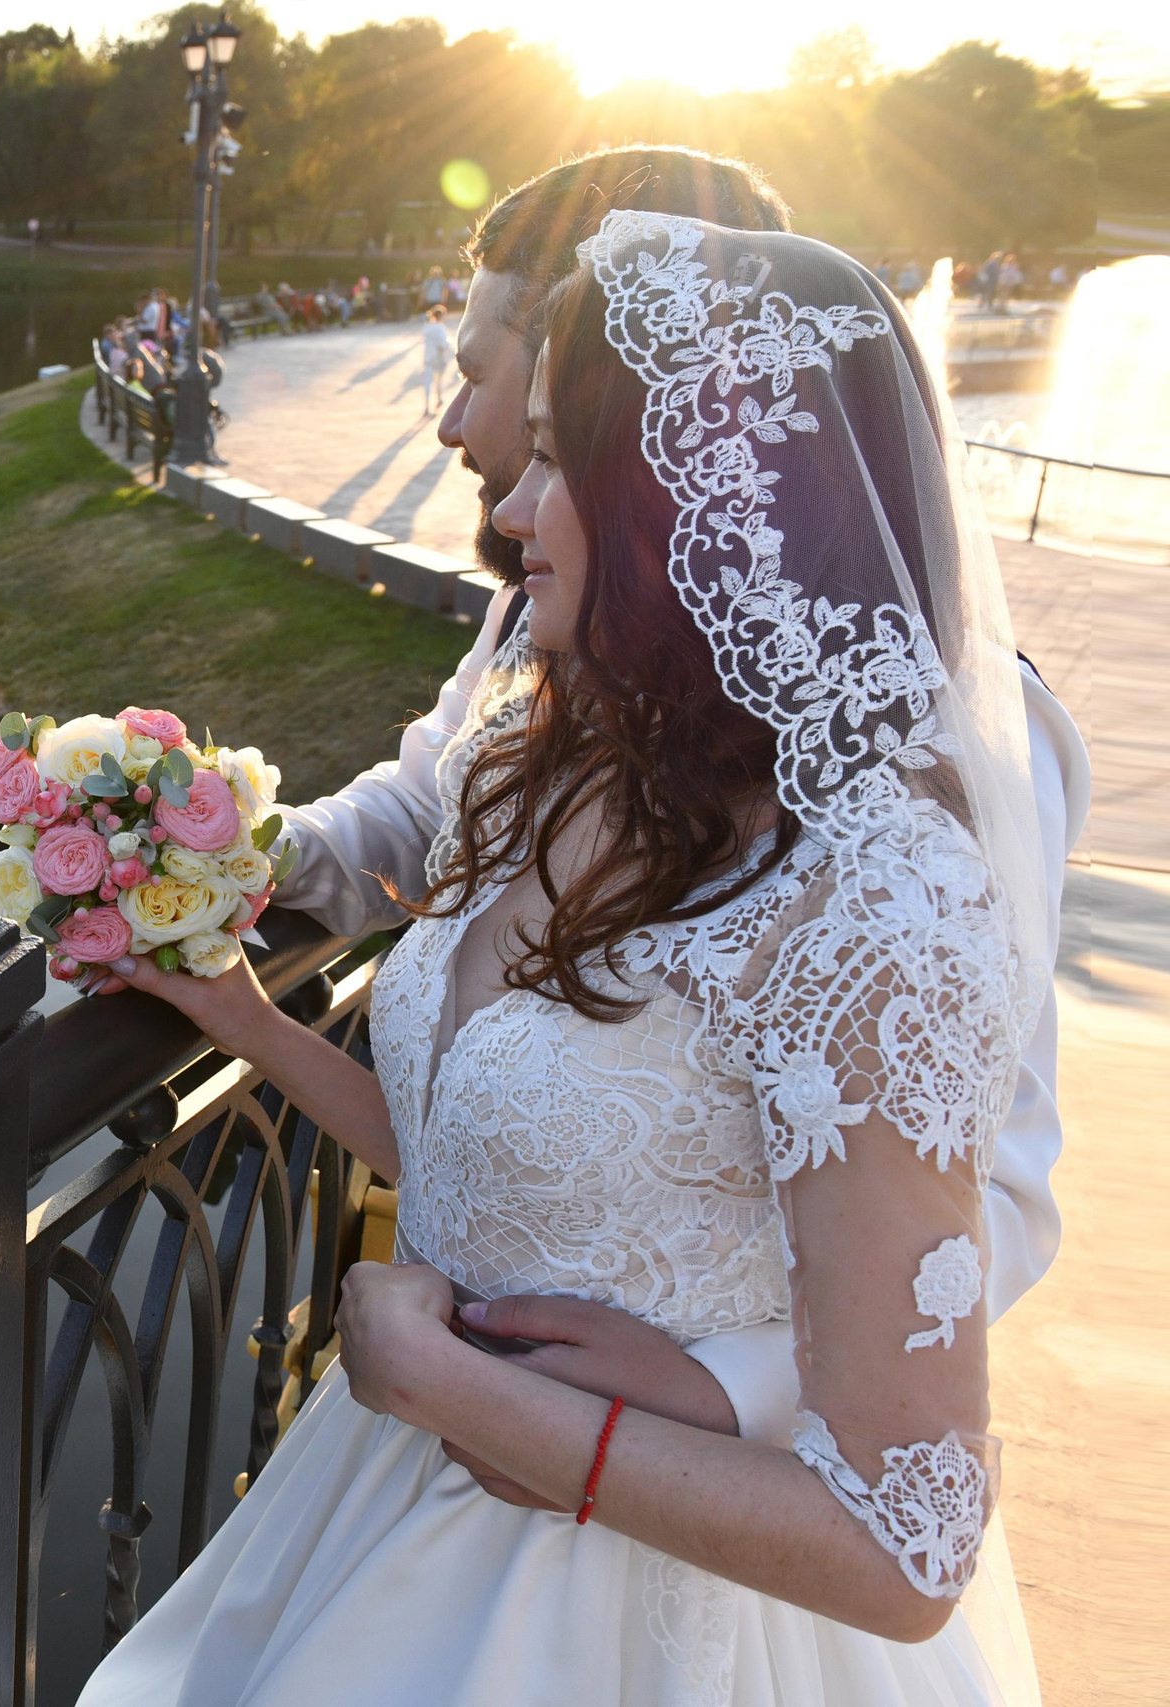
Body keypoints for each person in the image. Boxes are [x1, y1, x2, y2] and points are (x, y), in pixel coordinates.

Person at [81, 209, 1073, 1707]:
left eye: (558, 459)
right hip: (383, 1494)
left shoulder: (869, 903)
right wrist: (246, 1017)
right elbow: (491, 1149)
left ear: (691, 496)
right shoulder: (541, 753)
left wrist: (454, 1388)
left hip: (653, 1600)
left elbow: (909, 1540)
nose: (510, 509)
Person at [419, 302, 451, 415]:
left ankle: (427, 406)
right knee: (438, 381)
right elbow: (443, 345)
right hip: (438, 358)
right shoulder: (441, 329)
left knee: (428, 382)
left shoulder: (427, 328)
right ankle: (438, 398)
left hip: (428, 357)